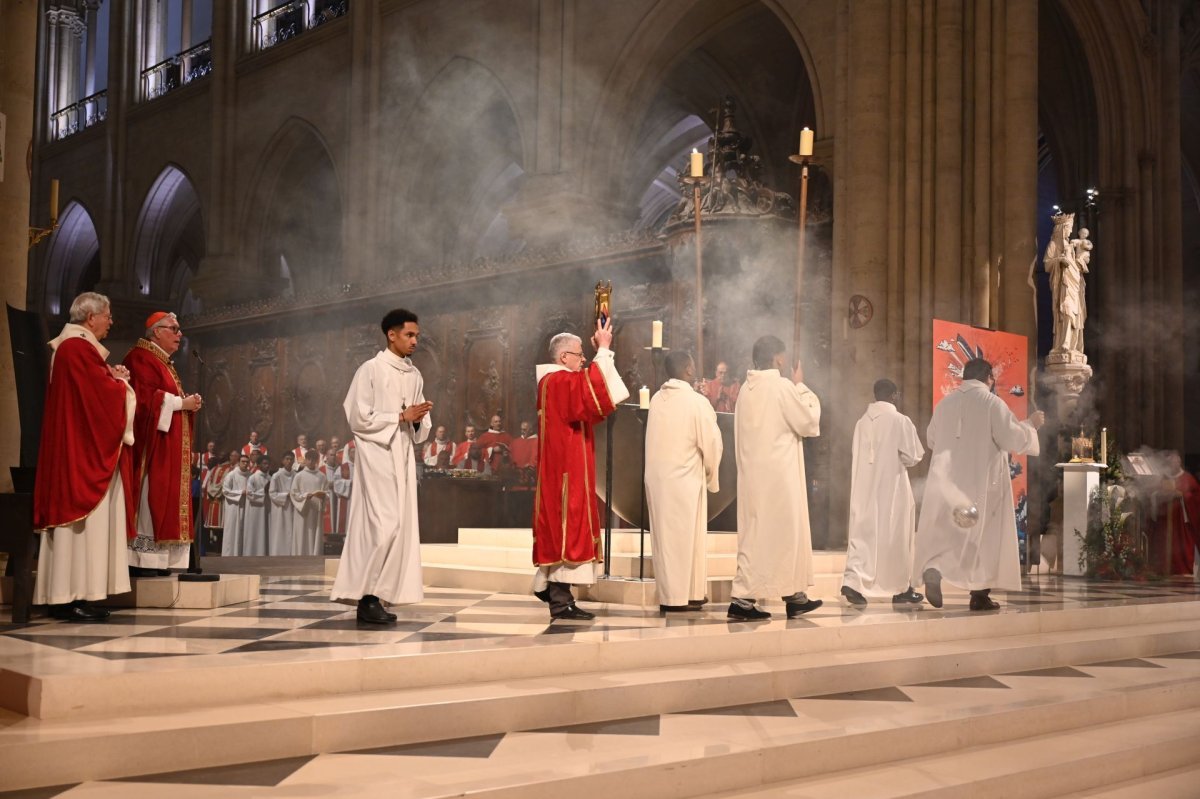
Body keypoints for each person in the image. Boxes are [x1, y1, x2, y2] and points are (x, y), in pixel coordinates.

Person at [32, 292, 134, 621]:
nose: (110, 322)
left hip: (76, 446)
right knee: (79, 525)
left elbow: (93, 388)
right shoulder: (76, 348)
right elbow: (99, 399)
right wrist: (120, 385)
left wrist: (110, 377)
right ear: (91, 318)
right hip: (79, 454)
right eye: (107, 316)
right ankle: (67, 597)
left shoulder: (76, 348)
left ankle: (80, 595)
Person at [914, 358, 1044, 611]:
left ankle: (934, 569)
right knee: (984, 536)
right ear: (989, 379)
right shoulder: (992, 403)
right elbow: (1012, 439)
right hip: (984, 481)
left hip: (949, 483)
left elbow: (931, 439)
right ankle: (979, 594)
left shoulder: (945, 404)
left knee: (950, 532)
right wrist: (1031, 426)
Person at [331, 308, 433, 623]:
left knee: (399, 527)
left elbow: (420, 424)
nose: (415, 341)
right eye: (409, 335)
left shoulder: (414, 374)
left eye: (417, 335)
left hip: (401, 457)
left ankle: (379, 596)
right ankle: (366, 596)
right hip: (376, 457)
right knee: (381, 526)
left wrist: (417, 420)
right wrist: (400, 417)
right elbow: (357, 417)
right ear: (392, 334)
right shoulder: (370, 370)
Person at [532, 318, 629, 620]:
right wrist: (604, 350)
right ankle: (560, 601)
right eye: (579, 355)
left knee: (566, 527)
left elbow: (594, 399)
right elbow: (594, 394)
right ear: (564, 357)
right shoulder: (558, 381)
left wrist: (601, 355)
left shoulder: (555, 382)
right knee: (566, 528)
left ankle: (551, 590)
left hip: (567, 466)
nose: (583, 360)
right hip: (565, 472)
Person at [729, 335, 822, 620]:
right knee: (780, 534)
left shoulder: (747, 388)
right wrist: (801, 386)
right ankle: (742, 600)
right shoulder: (782, 386)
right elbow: (808, 422)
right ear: (779, 359)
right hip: (779, 477)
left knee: (765, 534)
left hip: (755, 475)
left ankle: (794, 596)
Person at [122, 311, 202, 577]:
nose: (180, 334)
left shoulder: (159, 360)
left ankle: (159, 561)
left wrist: (185, 403)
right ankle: (142, 561)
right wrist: (182, 403)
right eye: (174, 329)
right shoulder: (140, 358)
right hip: (151, 451)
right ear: (157, 331)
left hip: (166, 448)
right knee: (149, 499)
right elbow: (145, 402)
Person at [645, 351, 722, 612]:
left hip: (658, 480)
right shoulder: (696, 402)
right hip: (684, 479)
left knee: (667, 540)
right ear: (688, 370)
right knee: (685, 539)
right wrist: (712, 474)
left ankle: (689, 593)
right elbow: (711, 442)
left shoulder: (656, 399)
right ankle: (677, 598)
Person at [840, 379, 925, 607]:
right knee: (897, 535)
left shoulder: (861, 422)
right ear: (895, 395)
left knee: (863, 534)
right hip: (892, 488)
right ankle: (902, 588)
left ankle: (853, 582)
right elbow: (913, 455)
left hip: (864, 486)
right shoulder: (900, 420)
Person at [291, 449, 330, 556]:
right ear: (306, 460)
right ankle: (300, 555)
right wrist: (304, 496)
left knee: (315, 532)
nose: (311, 461)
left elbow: (327, 493)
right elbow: (293, 493)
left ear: (317, 461)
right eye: (309, 459)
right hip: (303, 510)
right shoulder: (299, 476)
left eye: (314, 459)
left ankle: (315, 555)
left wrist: (323, 495)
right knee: (302, 533)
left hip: (316, 510)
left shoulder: (321, 476)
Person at [220, 453, 252, 556]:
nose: (245, 464)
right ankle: (229, 554)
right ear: (239, 462)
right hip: (233, 507)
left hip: (246, 506)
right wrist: (240, 493)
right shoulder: (231, 475)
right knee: (232, 530)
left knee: (244, 530)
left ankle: (242, 553)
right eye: (243, 461)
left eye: (247, 462)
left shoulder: (250, 475)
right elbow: (225, 491)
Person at [203, 450, 236, 548]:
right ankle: (214, 545)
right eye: (220, 454)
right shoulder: (214, 468)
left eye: (223, 455)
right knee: (213, 525)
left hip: (222, 499)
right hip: (213, 499)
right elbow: (209, 481)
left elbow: (224, 483)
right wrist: (210, 491)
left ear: (227, 456)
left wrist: (214, 492)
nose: (220, 456)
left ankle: (221, 546)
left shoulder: (230, 469)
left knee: (222, 524)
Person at [268, 452, 297, 556]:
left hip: (293, 507)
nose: (289, 461)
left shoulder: (296, 475)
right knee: (279, 532)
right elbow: (272, 493)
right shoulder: (276, 476)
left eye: (291, 459)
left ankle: (291, 554)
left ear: (294, 461)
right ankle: (277, 554)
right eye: (287, 459)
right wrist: (286, 495)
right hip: (280, 508)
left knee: (291, 532)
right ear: (283, 461)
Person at [243, 455, 271, 556]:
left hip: (265, 510)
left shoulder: (270, 478)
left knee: (264, 533)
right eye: (264, 463)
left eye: (268, 464)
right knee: (254, 532)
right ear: (258, 465)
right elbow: (249, 494)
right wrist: (264, 491)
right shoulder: (253, 477)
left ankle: (264, 553)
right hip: (254, 510)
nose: (267, 466)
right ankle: (251, 554)